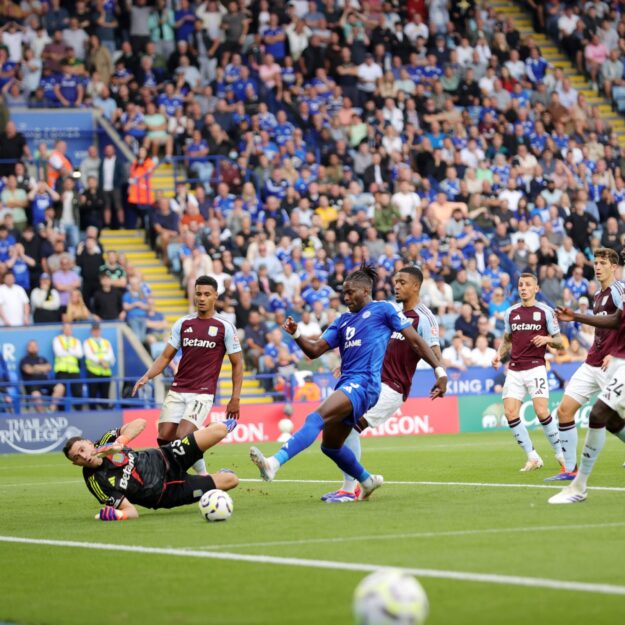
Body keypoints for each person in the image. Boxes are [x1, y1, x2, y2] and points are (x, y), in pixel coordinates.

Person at [249, 263, 447, 501]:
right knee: (330, 445)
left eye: (350, 292)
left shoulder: (389, 311)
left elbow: (419, 343)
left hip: (376, 386)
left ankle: (278, 464)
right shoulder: (347, 319)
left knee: (319, 419)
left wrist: (440, 372)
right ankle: (366, 480)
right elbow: (315, 350)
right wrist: (296, 333)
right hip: (353, 382)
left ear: (365, 291)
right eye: (343, 293)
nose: (345, 297)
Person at [321, 266, 445, 503]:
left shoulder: (424, 317)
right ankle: (355, 485)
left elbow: (432, 348)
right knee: (341, 424)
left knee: (350, 426)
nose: (396, 286)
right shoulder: (389, 310)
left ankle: (351, 488)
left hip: (394, 387)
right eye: (395, 281)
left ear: (416, 286)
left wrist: (440, 374)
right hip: (371, 381)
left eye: (402, 282)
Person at [132, 275, 243, 476]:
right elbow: (166, 356)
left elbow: (237, 363)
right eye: (198, 293)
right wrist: (147, 376)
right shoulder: (183, 323)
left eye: (207, 294)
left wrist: (235, 398)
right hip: (178, 389)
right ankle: (204, 474)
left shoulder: (224, 326)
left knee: (183, 438)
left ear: (215, 296)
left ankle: (191, 473)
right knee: (164, 438)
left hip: (202, 393)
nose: (202, 298)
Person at [545, 248, 624, 482]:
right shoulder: (599, 295)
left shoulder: (619, 291)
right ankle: (570, 469)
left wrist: (617, 353)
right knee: (564, 410)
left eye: (602, 263)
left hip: (613, 363)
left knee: (612, 419)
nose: (597, 267)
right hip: (592, 362)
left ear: (613, 266)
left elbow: (618, 323)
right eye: (595, 263)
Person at [63, 417, 239, 521]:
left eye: (82, 449)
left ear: (88, 442)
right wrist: (116, 515)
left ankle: (208, 430)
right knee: (232, 480)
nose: (84, 457)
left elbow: (141, 422)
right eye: (77, 458)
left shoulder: (106, 441)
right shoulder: (96, 483)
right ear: (76, 464)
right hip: (168, 492)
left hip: (168, 456)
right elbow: (131, 512)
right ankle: (219, 474)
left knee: (221, 430)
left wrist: (120, 442)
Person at [492, 273, 565, 472]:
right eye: (521, 285)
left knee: (542, 411)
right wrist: (499, 355)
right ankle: (532, 456)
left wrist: (547, 340)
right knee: (509, 412)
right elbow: (507, 339)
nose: (523, 288)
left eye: (527, 285)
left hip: (536, 368)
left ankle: (561, 454)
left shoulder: (546, 311)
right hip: (515, 369)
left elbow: (559, 342)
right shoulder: (511, 312)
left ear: (536, 288)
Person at [19, 339, 65, 412]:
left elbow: (49, 367)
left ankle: (50, 411)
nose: (33, 348)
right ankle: (43, 415)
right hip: (33, 384)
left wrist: (35, 367)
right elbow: (28, 370)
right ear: (27, 348)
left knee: (60, 387)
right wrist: (42, 368)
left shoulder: (42, 358)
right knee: (35, 394)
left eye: (35, 346)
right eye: (31, 346)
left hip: (46, 382)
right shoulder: (24, 360)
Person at [83, 321, 115, 409]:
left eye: (98, 330)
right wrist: (102, 362)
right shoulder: (87, 342)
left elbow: (111, 357)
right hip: (93, 372)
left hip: (105, 372)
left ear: (100, 330)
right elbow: (89, 355)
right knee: (92, 396)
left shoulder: (106, 342)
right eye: (94, 330)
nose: (96, 332)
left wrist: (105, 362)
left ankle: (106, 413)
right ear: (91, 331)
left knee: (105, 396)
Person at [52, 322, 83, 405]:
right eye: (66, 328)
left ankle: (79, 411)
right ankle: (62, 413)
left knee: (78, 392)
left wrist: (67, 350)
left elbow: (80, 354)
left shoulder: (76, 340)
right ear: (63, 329)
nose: (68, 330)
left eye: (69, 328)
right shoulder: (57, 339)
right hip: (61, 371)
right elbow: (58, 352)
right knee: (62, 394)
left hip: (74, 371)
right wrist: (73, 351)